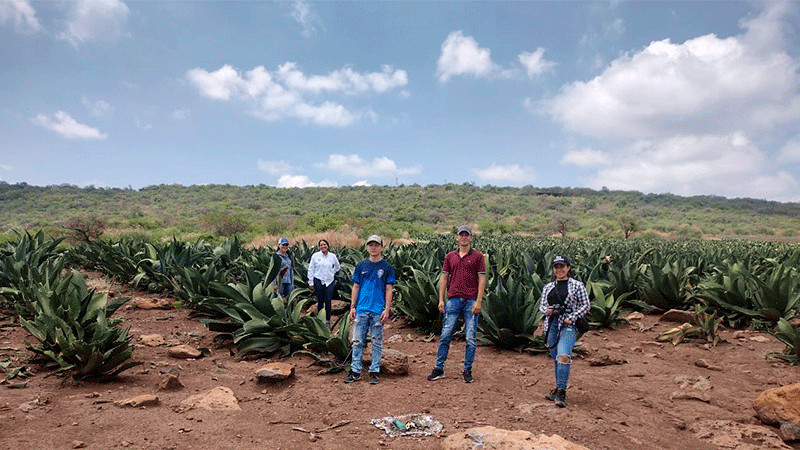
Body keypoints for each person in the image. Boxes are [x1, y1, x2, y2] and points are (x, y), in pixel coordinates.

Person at [427, 225, 486, 384]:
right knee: (446, 335)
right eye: (461, 235)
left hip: (471, 300)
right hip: (453, 299)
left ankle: (467, 370)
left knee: (470, 337)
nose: (464, 238)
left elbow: (482, 279)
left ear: (471, 238)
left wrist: (479, 301)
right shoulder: (450, 256)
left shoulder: (478, 256)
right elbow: (444, 278)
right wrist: (441, 299)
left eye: (467, 235)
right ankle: (438, 368)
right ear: (456, 237)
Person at [344, 235, 396, 385]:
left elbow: (389, 289)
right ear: (367, 247)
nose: (373, 247)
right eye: (371, 245)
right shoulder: (361, 266)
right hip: (361, 309)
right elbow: (356, 286)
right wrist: (353, 306)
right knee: (357, 341)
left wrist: (387, 309)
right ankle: (355, 371)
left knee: (377, 342)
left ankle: (374, 371)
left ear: (381, 247)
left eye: (376, 245)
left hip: (377, 311)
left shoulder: (387, 267)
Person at [539, 255, 589, 408]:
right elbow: (541, 306)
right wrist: (547, 311)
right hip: (552, 324)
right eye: (556, 267)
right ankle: (558, 388)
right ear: (553, 269)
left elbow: (586, 305)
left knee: (563, 356)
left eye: (562, 266)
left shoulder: (577, 285)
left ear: (568, 268)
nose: (559, 269)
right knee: (556, 357)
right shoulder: (548, 287)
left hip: (568, 325)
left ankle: (561, 392)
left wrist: (572, 317)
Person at [308, 239, 341, 327]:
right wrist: (311, 282)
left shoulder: (332, 256)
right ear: (319, 247)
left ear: (328, 245)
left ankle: (327, 321)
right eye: (321, 245)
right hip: (318, 280)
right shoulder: (315, 256)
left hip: (329, 281)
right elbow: (311, 269)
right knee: (320, 301)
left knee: (328, 301)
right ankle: (320, 320)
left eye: (324, 244)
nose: (323, 246)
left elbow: (338, 267)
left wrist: (332, 273)